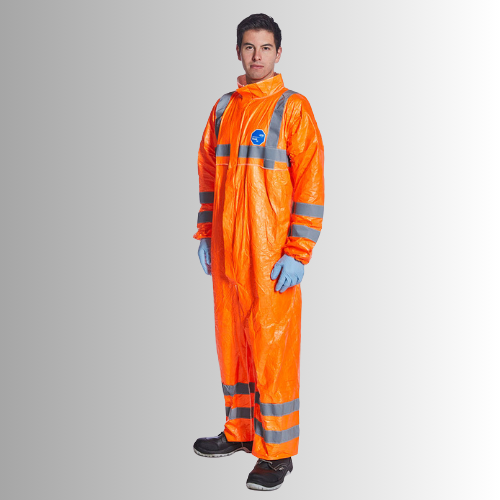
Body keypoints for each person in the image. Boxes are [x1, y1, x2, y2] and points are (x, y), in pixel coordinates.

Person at [192, 13, 325, 491]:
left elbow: (310, 183)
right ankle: (240, 431)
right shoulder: (223, 109)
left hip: (271, 256)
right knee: (233, 345)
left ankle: (276, 453)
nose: (257, 56)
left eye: (266, 47)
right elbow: (209, 174)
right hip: (228, 251)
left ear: (278, 53)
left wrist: (298, 251)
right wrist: (206, 232)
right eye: (249, 47)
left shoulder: (293, 109)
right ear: (238, 52)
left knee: (272, 350)